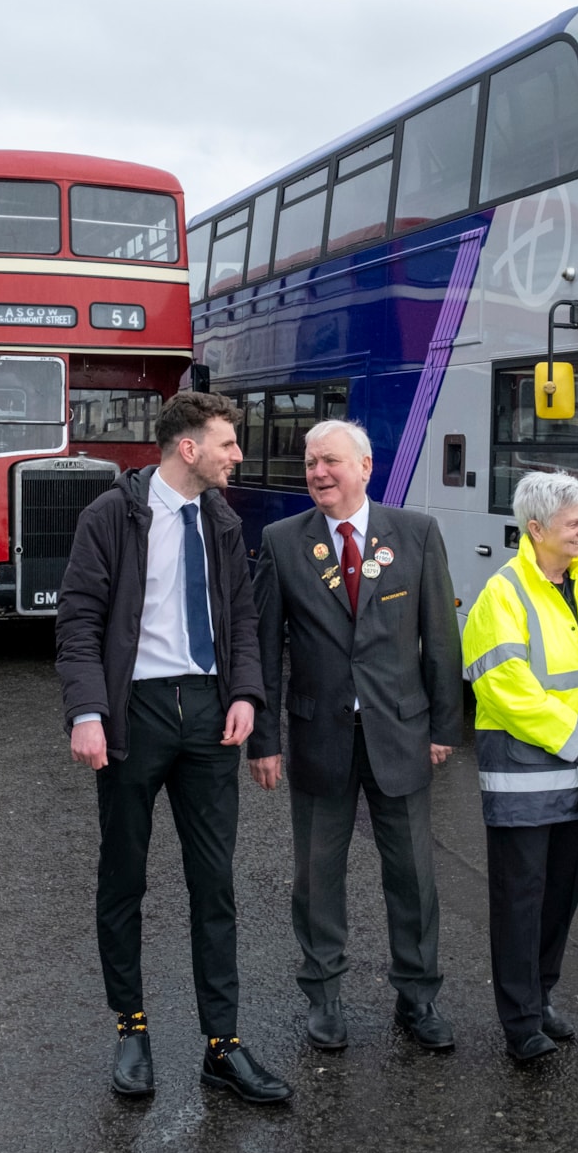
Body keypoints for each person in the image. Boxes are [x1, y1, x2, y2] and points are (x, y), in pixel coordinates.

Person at [56, 390, 291, 1105]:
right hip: (137, 714)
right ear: (188, 448)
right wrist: (88, 712)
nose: (237, 455)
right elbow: (79, 622)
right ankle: (132, 1029)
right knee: (125, 877)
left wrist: (246, 694)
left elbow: (244, 619)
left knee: (214, 883)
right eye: (228, 442)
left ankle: (223, 1045)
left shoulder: (221, 519)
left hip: (210, 715)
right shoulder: (112, 516)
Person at [248, 419, 463, 1053]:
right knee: (316, 876)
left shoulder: (416, 533)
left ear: (365, 467)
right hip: (319, 736)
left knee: (414, 876)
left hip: (401, 733)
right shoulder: (283, 542)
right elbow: (264, 649)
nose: (318, 473)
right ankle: (324, 997)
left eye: (331, 461)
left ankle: (418, 997)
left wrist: (445, 725)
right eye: (311, 463)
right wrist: (265, 739)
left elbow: (440, 641)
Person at [461, 472, 578, 1063]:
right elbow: (504, 684)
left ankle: (541, 998)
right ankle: (519, 1021)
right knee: (520, 898)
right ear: (535, 529)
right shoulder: (503, 593)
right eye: (574, 524)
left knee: (561, 894)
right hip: (528, 772)